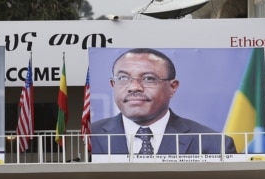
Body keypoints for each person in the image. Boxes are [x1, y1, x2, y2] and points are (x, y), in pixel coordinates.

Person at [91, 48, 237, 155]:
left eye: (148, 78)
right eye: (123, 78)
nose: (134, 87)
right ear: (113, 85)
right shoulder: (89, 137)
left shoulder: (215, 144)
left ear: (172, 87)